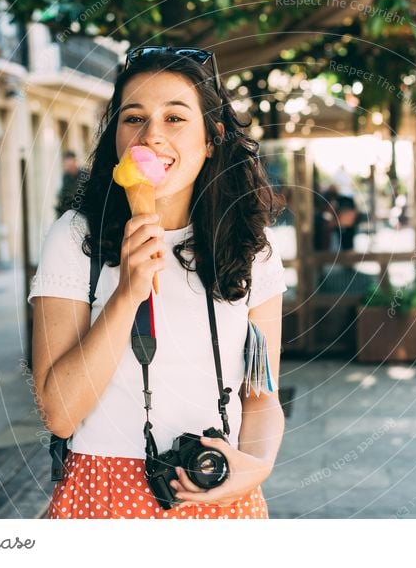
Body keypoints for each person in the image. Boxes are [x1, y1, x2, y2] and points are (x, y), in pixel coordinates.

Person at [28, 47, 287, 519]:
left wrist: (258, 466)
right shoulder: (75, 237)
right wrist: (128, 291)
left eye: (174, 118)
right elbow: (59, 413)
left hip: (218, 491)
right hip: (101, 494)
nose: (151, 136)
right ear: (116, 140)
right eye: (133, 118)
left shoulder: (251, 246)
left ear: (213, 138)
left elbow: (261, 396)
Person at [54, 150, 88, 217]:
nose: (68, 167)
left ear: (75, 161)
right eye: (66, 164)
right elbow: (63, 195)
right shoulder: (66, 177)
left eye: (70, 164)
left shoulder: (85, 175)